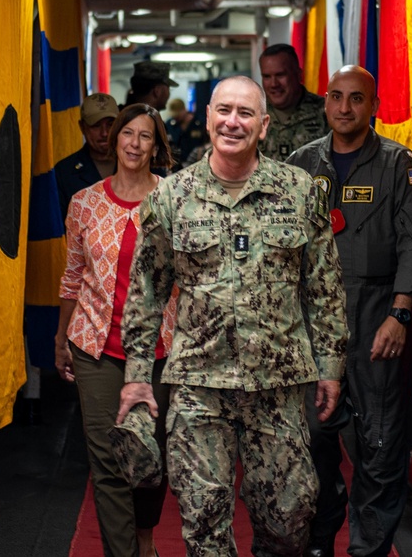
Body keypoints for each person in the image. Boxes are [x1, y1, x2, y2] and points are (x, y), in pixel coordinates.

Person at [116, 76, 350, 556]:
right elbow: (146, 290)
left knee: (288, 519)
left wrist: (331, 367)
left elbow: (323, 286)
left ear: (263, 126)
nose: (233, 122)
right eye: (224, 110)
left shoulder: (300, 191)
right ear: (207, 119)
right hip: (199, 387)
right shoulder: (172, 197)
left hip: (278, 386)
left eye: (245, 113)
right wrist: (138, 376)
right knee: (203, 521)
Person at [286, 66, 412, 557]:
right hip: (313, 319)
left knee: (381, 443)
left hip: (377, 314)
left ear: (374, 106)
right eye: (335, 97)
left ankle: (367, 549)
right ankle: (320, 534)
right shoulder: (301, 164)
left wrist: (400, 313)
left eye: (356, 99)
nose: (344, 108)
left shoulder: (400, 166)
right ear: (325, 102)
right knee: (311, 437)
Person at [55, 104, 177, 557]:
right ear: (115, 138)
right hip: (95, 348)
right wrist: (60, 337)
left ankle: (145, 538)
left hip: (160, 350)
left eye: (145, 136)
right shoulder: (84, 202)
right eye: (127, 132)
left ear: (155, 147)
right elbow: (71, 277)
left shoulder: (174, 200)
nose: (133, 143)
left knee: (150, 459)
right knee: (107, 461)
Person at [54, 92, 120, 222]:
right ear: (82, 127)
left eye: (110, 124)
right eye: (96, 125)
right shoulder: (64, 172)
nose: (104, 133)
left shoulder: (138, 166)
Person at [258, 43, 327, 161]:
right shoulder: (254, 114)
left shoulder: (326, 112)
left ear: (299, 75)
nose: (274, 84)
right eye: (267, 76)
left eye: (280, 75)